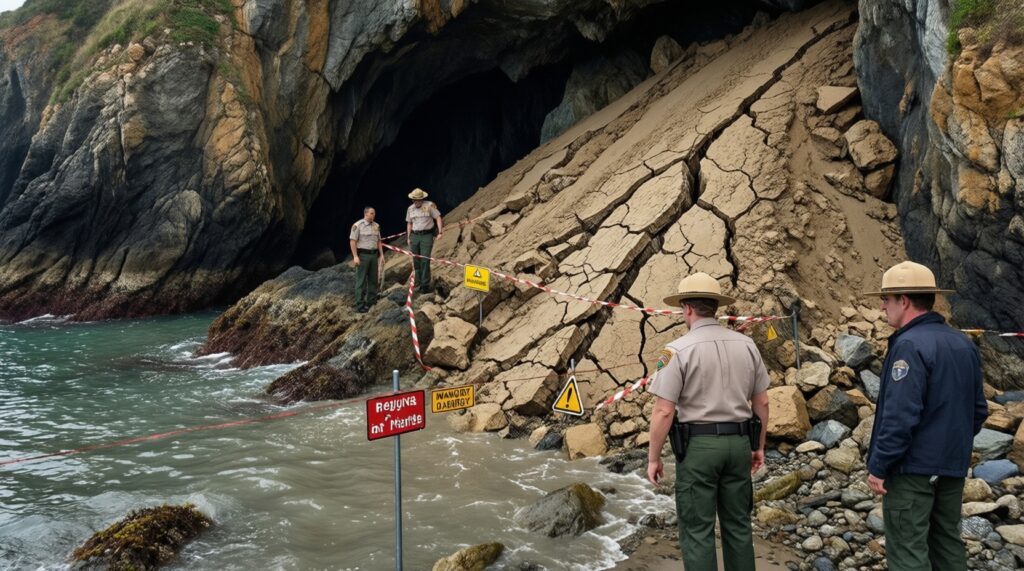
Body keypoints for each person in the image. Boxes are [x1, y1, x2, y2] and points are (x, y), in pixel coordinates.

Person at [864, 261, 987, 570]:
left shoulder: (908, 345)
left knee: (907, 551)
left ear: (903, 300)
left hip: (912, 471)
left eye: (887, 299)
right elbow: (978, 410)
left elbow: (900, 416)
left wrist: (879, 465)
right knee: (947, 544)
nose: (882, 306)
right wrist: (950, 445)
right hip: (951, 467)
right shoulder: (963, 342)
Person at [645, 272, 770, 571]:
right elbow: (762, 402)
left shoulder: (675, 350)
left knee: (698, 530)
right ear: (714, 306)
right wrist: (758, 446)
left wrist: (653, 458)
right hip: (740, 442)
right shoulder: (747, 345)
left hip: (699, 448)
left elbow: (664, 411)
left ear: (687, 308)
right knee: (738, 527)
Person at [405, 188, 443, 293]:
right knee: (416, 260)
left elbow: (438, 217)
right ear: (412, 200)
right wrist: (408, 237)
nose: (417, 202)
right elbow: (409, 223)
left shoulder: (429, 205)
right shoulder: (410, 209)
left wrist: (440, 232)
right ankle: (418, 281)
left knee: (425, 260)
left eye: (419, 200)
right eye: (415, 200)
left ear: (422, 199)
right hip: (415, 236)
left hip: (427, 236)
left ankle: (425, 285)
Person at [349, 207, 383, 313]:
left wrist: (381, 255)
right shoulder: (357, 225)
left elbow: (379, 241)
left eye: (374, 213)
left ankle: (371, 302)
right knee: (361, 280)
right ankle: (360, 304)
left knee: (373, 279)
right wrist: (355, 256)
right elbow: (353, 241)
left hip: (374, 255)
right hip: (363, 255)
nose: (373, 215)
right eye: (371, 213)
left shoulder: (376, 226)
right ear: (366, 214)